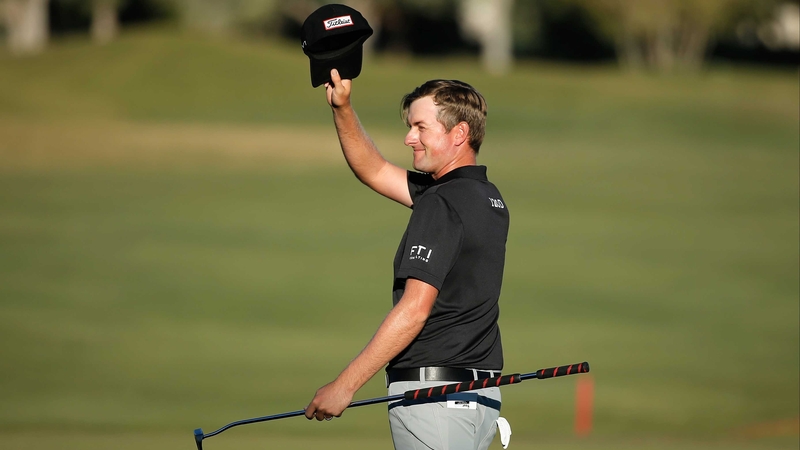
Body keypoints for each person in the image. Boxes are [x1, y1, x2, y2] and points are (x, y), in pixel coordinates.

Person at [304, 68, 510, 450]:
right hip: (479, 398)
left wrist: (344, 386)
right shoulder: (486, 197)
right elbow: (375, 170)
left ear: (459, 133)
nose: (408, 137)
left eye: (420, 127)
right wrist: (343, 107)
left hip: (433, 400)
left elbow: (415, 310)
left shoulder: (441, 204)